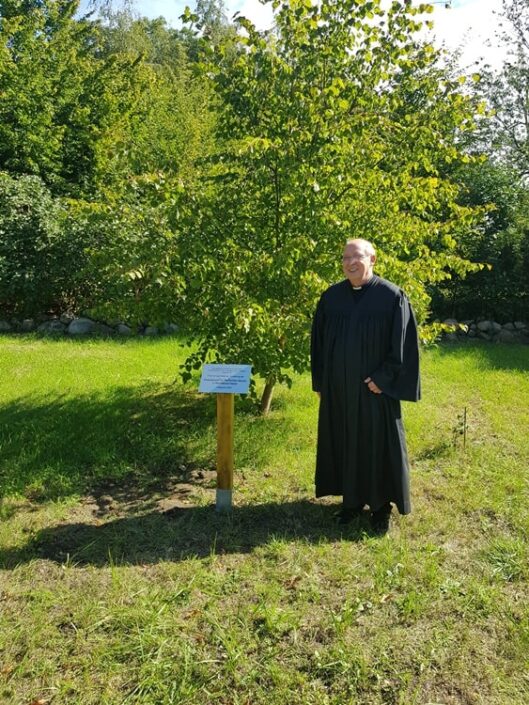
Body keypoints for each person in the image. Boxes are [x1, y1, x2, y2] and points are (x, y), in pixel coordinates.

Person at [310, 238, 420, 533]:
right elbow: (318, 344)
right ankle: (351, 502)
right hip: (340, 389)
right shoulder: (331, 297)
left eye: (356, 256)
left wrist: (383, 379)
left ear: (372, 259)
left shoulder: (391, 296)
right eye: (345, 258)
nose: (349, 262)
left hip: (375, 390)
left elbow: (403, 344)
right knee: (345, 440)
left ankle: (381, 506)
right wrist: (321, 381)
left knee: (377, 444)